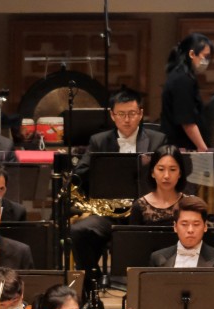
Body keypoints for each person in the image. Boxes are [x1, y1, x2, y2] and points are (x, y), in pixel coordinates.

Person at [71, 86, 167, 294]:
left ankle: (150, 292)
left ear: (141, 114)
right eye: (121, 114)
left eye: (132, 113)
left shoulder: (157, 140)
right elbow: (80, 172)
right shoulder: (99, 141)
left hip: (145, 212)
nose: (127, 119)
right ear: (112, 115)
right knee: (79, 230)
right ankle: (90, 288)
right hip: (110, 214)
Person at [161, 33, 214, 152]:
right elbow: (186, 120)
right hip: (182, 149)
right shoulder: (182, 80)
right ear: (191, 54)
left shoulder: (182, 77)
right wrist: (202, 148)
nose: (207, 61)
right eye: (205, 56)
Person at [129, 145, 188, 225]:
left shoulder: (189, 204)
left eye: (172, 170)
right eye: (161, 169)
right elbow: (132, 237)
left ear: (180, 173)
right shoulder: (139, 206)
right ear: (152, 173)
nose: (166, 176)